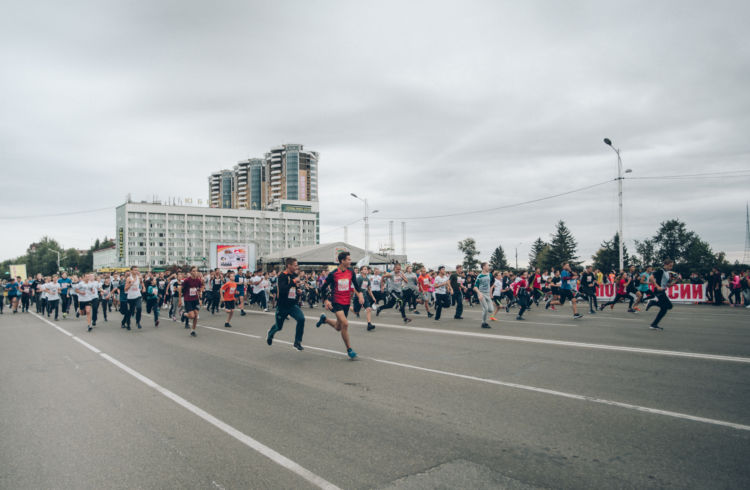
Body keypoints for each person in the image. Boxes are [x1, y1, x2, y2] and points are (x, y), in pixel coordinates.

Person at [316, 251, 365, 359]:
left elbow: (357, 286)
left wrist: (360, 295)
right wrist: (325, 301)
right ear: (342, 261)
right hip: (336, 302)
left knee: (339, 327)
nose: (350, 261)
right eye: (348, 259)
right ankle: (349, 349)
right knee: (345, 324)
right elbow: (322, 288)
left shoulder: (351, 272)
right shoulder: (333, 274)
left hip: (346, 302)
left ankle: (324, 320)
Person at [267, 258, 307, 350]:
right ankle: (270, 333)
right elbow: (283, 290)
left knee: (301, 319)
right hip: (282, 306)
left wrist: (298, 291)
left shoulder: (294, 275)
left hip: (292, 305)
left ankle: (297, 342)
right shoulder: (282, 276)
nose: (297, 267)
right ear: (289, 265)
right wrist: (293, 282)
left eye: (297, 265)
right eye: (295, 265)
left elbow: (293, 289)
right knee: (279, 327)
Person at [647, 259, 676, 330]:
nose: (671, 268)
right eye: (670, 266)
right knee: (669, 306)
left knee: (665, 308)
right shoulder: (661, 271)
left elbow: (668, 285)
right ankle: (652, 302)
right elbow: (651, 278)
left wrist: (676, 281)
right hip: (659, 291)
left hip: (662, 291)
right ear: (665, 265)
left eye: (672, 266)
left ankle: (654, 324)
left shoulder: (667, 273)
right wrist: (657, 286)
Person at [180, 266, 204, 337]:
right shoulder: (187, 280)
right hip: (188, 300)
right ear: (191, 272)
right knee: (192, 316)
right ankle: (183, 314)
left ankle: (193, 330)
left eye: (196, 271)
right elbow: (180, 288)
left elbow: (201, 287)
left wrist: (200, 298)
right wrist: (180, 300)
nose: (195, 272)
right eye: (193, 271)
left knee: (196, 315)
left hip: (195, 300)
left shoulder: (198, 280)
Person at [473, 262, 493, 328]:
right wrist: (479, 294)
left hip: (487, 294)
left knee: (491, 310)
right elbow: (475, 287)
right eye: (488, 266)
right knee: (485, 309)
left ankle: (484, 322)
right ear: (484, 267)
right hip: (481, 293)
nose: (489, 267)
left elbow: (491, 284)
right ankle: (483, 323)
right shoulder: (479, 276)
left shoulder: (490, 274)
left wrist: (490, 293)